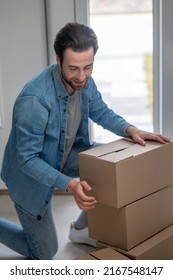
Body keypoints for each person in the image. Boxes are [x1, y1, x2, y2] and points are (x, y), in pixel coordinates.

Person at [0, 22, 170, 260]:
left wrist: (131, 129)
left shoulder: (84, 81)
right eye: (73, 68)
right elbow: (27, 159)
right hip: (28, 178)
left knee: (117, 171)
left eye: (88, 67)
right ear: (58, 59)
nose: (81, 77)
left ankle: (80, 229)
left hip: (66, 156)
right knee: (44, 253)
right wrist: (70, 184)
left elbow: (101, 112)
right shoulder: (35, 101)